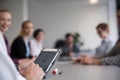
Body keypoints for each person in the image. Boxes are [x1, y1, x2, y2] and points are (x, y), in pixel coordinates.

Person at [0, 9, 44, 80]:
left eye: (8, 20)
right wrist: (20, 63)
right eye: (2, 19)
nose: (5, 23)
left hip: (17, 68)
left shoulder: (27, 41)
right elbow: (8, 60)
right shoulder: (18, 41)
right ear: (22, 28)